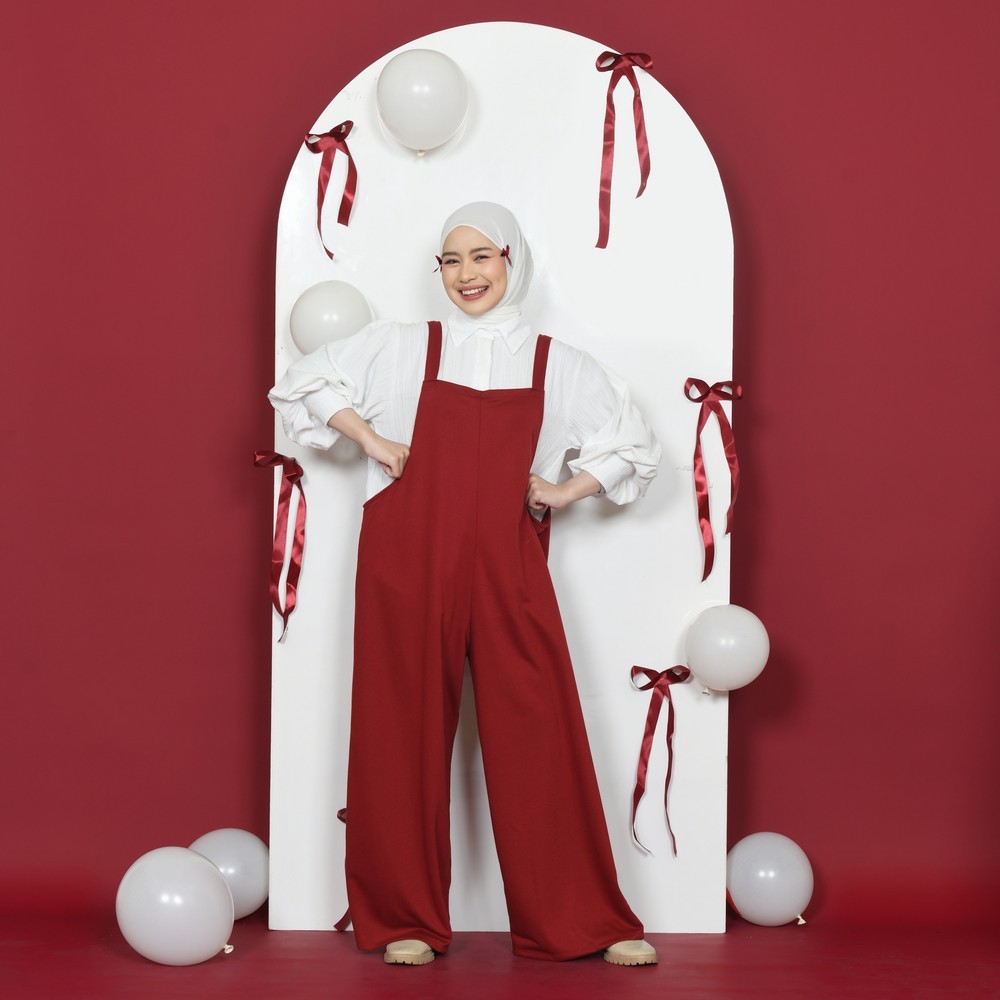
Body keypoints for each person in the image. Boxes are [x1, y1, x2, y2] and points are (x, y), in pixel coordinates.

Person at [269, 202, 661, 967]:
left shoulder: (558, 364)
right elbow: (305, 381)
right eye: (451, 260)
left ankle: (580, 918)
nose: (465, 274)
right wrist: (372, 439)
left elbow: (632, 445)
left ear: (513, 260)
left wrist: (562, 490)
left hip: (510, 563)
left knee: (540, 729)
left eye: (482, 256)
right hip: (407, 562)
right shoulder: (401, 346)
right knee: (398, 731)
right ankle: (404, 918)